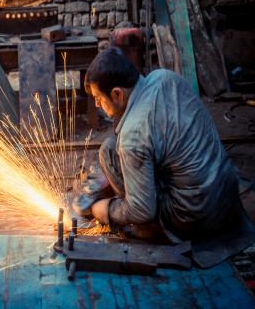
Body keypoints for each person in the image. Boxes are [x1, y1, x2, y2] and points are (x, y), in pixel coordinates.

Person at [72, 47, 254, 266]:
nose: (97, 105)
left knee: (108, 153)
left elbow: (142, 210)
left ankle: (151, 231)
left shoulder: (133, 135)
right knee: (114, 148)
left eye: (98, 98)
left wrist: (105, 210)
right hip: (225, 196)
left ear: (117, 94)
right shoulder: (165, 77)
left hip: (193, 217)